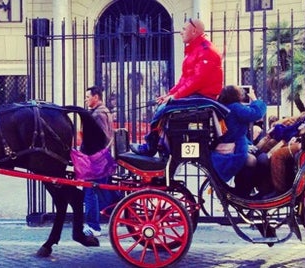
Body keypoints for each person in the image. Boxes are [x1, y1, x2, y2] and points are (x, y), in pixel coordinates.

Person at [131, 18, 223, 156]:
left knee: (165, 108)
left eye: (184, 29)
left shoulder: (206, 50)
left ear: (194, 31)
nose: (181, 32)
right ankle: (161, 145)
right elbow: (184, 79)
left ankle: (151, 147)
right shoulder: (195, 50)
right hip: (197, 95)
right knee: (164, 105)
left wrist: (175, 96)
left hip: (204, 97)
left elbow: (197, 80)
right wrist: (169, 95)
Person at [211, 86, 266, 185]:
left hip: (230, 145)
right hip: (237, 148)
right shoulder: (235, 107)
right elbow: (255, 114)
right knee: (254, 161)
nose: (242, 93)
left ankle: (244, 190)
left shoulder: (222, 106)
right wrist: (255, 99)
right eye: (239, 92)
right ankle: (245, 191)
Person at [82, 85, 114, 237]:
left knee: (90, 192)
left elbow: (98, 139)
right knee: (100, 191)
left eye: (88, 97)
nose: (86, 99)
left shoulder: (97, 115)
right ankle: (116, 214)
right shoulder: (104, 111)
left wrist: (85, 157)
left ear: (96, 97)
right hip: (103, 158)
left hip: (97, 160)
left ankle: (93, 227)